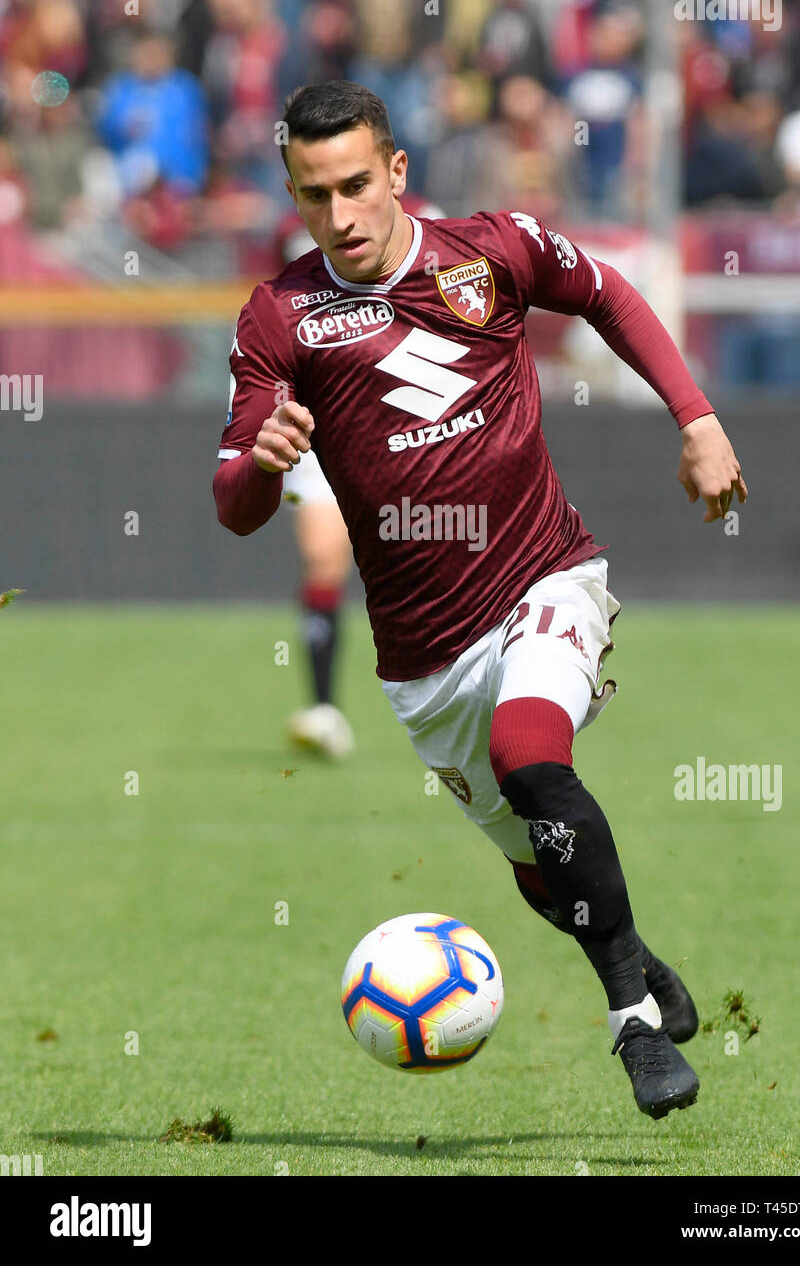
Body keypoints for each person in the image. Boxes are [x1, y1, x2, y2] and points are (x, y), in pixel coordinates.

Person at [213, 81, 748, 1118]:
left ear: (397, 170)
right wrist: (262, 464)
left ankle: (628, 1021)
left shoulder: (490, 249)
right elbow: (234, 502)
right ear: (291, 192)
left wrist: (695, 414)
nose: (342, 215)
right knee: (541, 862)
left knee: (530, 754)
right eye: (315, 195)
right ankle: (629, 951)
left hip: (545, 573)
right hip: (421, 660)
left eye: (358, 185)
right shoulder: (278, 316)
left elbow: (609, 293)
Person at [276, 190, 446, 761]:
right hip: (321, 434)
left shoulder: (427, 226)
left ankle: (470, 687)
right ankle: (324, 707)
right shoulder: (298, 237)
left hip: (403, 431)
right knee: (324, 560)